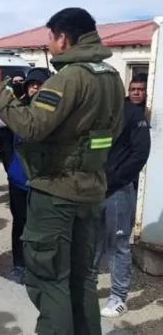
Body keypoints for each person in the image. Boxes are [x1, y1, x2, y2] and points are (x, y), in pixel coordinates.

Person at [0, 7, 125, 335]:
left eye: (51, 39)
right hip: (89, 191)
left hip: (56, 192)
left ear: (63, 38)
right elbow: (110, 132)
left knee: (49, 279)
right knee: (82, 278)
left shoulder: (70, 77)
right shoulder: (110, 76)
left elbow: (31, 126)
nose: (50, 46)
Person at [94, 98, 150, 318]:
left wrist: (115, 178)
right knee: (92, 242)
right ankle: (88, 288)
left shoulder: (132, 114)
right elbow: (93, 148)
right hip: (94, 190)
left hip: (118, 190)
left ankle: (118, 297)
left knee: (118, 244)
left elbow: (140, 153)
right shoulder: (98, 110)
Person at [0, 68, 50, 285]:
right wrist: (10, 163)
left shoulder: (55, 113)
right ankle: (19, 265)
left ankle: (39, 267)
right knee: (20, 223)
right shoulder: (19, 109)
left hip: (45, 181)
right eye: (31, 84)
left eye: (39, 84)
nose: (35, 88)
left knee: (42, 226)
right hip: (19, 180)